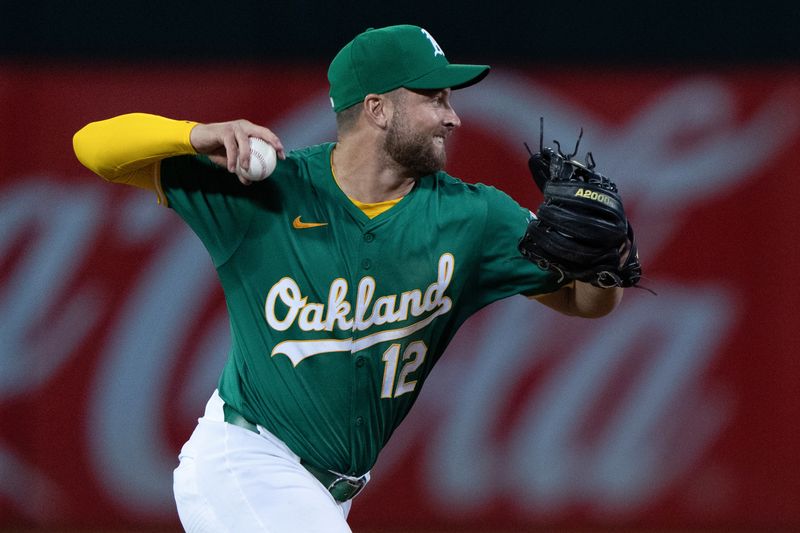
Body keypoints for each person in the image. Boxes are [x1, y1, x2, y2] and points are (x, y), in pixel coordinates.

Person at [73, 24, 622, 533]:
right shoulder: (267, 191)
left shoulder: (474, 218)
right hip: (246, 460)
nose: (453, 117)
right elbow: (92, 147)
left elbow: (585, 303)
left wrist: (607, 261)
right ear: (379, 108)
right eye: (434, 98)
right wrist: (194, 134)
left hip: (333, 490)